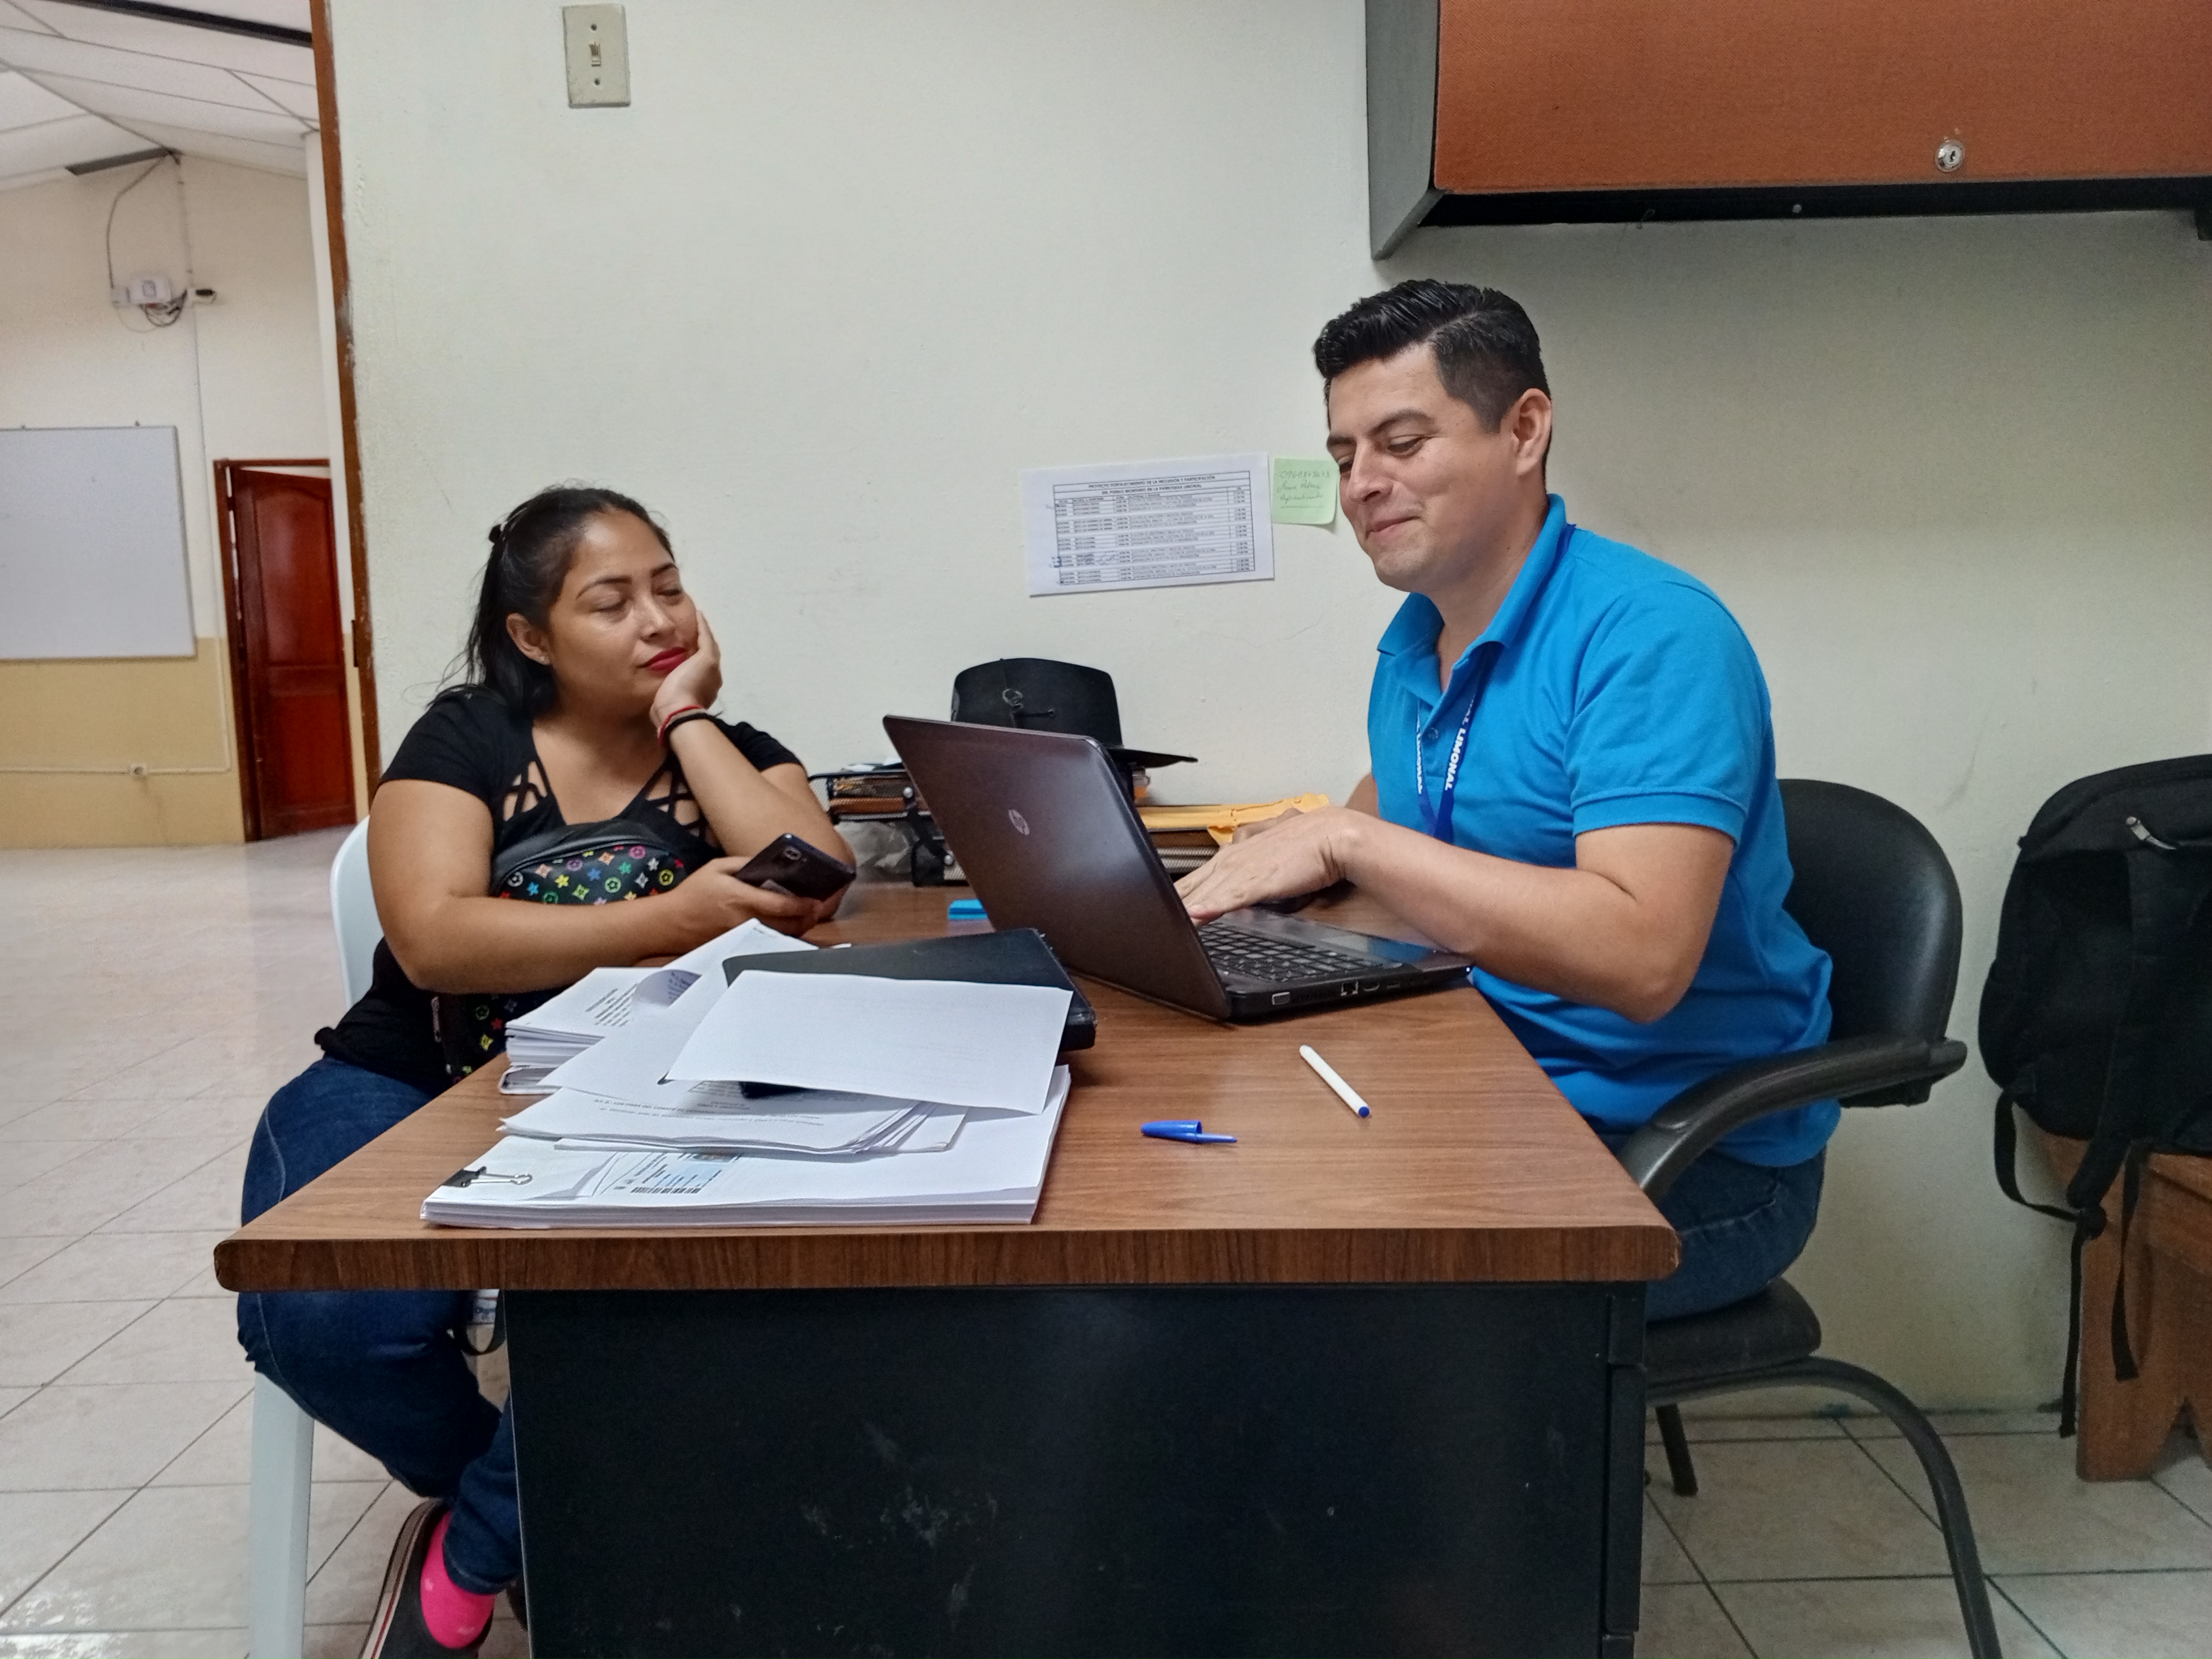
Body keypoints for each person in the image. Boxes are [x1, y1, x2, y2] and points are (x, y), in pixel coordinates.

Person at [237, 485, 849, 1657]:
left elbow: (814, 882)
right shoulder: (467, 737)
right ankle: (529, 1507)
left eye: (669, 588)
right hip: (414, 1076)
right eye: (610, 602)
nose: (657, 619)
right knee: (319, 1317)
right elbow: (435, 939)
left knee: (673, 1297)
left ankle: (476, 1546)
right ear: (531, 635)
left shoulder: (739, 751)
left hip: (652, 1098)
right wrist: (668, 920)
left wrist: (686, 718)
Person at [1177, 280, 1834, 1321]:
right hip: (1490, 1080)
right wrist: (1293, 848)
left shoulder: (1650, 636)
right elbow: (1412, 800)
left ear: (1525, 431)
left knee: (1318, 1301)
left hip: (1676, 1155)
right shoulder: (1418, 641)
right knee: (1221, 1201)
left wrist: (1347, 841)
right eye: (1345, 456)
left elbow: (1643, 959)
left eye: (1402, 443)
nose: (1362, 484)